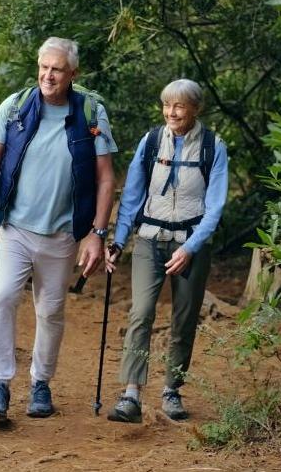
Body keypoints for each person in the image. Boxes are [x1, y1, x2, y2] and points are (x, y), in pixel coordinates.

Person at [0, 37, 117, 419]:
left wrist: (97, 235)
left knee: (50, 311)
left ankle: (41, 384)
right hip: (14, 227)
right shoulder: (15, 107)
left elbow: (104, 180)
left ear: (72, 74)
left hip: (63, 234)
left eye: (57, 69)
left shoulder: (91, 113)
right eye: (44, 67)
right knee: (2, 298)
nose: (49, 75)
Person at [104, 78, 228, 423]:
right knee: (141, 312)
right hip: (149, 239)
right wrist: (118, 240)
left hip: (191, 244)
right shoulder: (152, 141)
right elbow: (132, 197)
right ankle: (131, 394)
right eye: (166, 105)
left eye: (179, 106)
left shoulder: (212, 147)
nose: (170, 112)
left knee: (184, 319)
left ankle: (172, 390)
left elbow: (215, 207)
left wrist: (189, 248)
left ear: (195, 109)